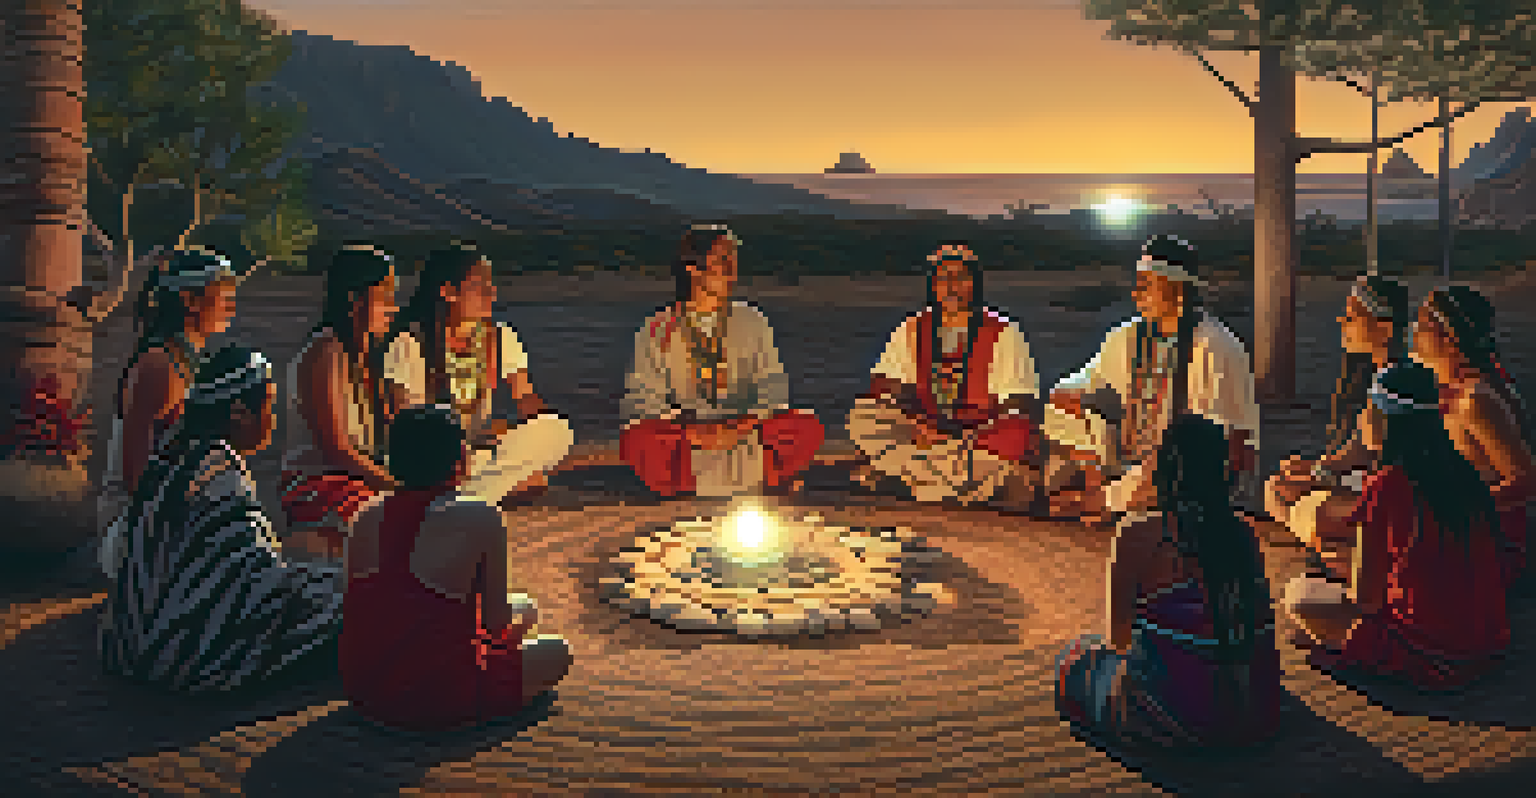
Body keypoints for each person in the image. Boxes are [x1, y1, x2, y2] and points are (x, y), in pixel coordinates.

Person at [98, 345, 343, 694]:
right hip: (179, 657)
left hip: (131, 647)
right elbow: (262, 586)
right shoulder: (218, 474)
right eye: (269, 405)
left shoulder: (174, 454)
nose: (273, 417)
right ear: (240, 412)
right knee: (341, 607)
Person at [341, 405, 572, 731]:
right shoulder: (479, 516)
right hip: (437, 694)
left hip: (364, 689)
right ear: (460, 459)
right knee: (557, 652)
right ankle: (475, 698)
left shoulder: (364, 515)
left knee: (528, 609)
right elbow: (495, 622)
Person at [1056, 414, 1281, 748]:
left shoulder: (1138, 534)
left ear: (1164, 470)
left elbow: (1119, 639)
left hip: (1173, 717)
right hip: (1251, 714)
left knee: (1076, 659)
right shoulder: (1242, 533)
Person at [1283, 362, 1509, 690]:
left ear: (1387, 418)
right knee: (1330, 567)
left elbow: (1367, 601)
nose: (1362, 418)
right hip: (1486, 642)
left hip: (1431, 649)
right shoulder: (1462, 470)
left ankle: (1351, 650)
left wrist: (1340, 576)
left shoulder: (1388, 484)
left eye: (1369, 408)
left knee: (1300, 596)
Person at [1042, 235, 1260, 522]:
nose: (1136, 295)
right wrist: (1072, 400)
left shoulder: (1214, 346)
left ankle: (1106, 502)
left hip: (1193, 467)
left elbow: (1212, 442)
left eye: (1146, 287)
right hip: (1132, 463)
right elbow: (1085, 381)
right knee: (1058, 413)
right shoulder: (1128, 335)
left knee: (1184, 460)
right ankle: (1104, 494)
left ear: (1178, 291)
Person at [620, 224, 824, 498]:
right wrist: (695, 432)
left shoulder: (753, 321)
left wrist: (742, 425)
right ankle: (766, 477)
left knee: (805, 427)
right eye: (721, 261)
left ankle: (690, 483)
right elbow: (641, 398)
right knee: (637, 440)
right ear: (693, 267)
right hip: (688, 431)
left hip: (745, 427)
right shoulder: (658, 327)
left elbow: (772, 387)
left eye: (733, 262)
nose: (731, 271)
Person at [847, 242, 1042, 509]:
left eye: (960, 278)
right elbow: (887, 391)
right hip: (922, 434)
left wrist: (961, 437)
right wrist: (920, 428)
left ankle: (902, 476)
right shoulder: (912, 327)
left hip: (977, 437)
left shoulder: (1004, 331)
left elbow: (1019, 405)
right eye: (943, 278)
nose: (951, 286)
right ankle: (955, 482)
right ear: (933, 285)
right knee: (864, 416)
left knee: (1015, 435)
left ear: (975, 284)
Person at [383, 243, 573, 507]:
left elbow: (526, 398)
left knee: (557, 431)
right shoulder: (411, 342)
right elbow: (409, 423)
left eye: (490, 285)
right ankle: (469, 498)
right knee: (528, 481)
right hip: (433, 455)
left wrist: (529, 428)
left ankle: (466, 497)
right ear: (448, 292)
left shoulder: (500, 337)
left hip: (475, 453)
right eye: (478, 286)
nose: (490, 294)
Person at [1265, 275, 1410, 571]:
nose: (1341, 320)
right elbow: (1358, 450)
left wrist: (1319, 479)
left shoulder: (1402, 383)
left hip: (1394, 499)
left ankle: (1342, 551)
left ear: (1383, 327)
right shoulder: (1379, 376)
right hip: (1367, 486)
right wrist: (1315, 470)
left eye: (1353, 315)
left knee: (1306, 509)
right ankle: (1337, 546)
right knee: (1278, 486)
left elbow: (1386, 469)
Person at [99, 247, 242, 531]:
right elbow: (135, 473)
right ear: (189, 300)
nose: (231, 308)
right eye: (223, 297)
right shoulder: (160, 365)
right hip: (142, 526)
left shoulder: (186, 362)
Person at [280, 243, 401, 558]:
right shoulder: (326, 351)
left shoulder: (367, 359)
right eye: (385, 297)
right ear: (355, 298)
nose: (393, 308)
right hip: (317, 485)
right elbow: (335, 450)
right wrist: (398, 486)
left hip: (356, 478)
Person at [1412, 286, 1535, 589]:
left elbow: (1527, 480)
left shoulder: (1477, 397)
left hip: (1482, 542)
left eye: (1424, 325)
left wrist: (1453, 507)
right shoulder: (1446, 384)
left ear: (1449, 339)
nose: (1414, 332)